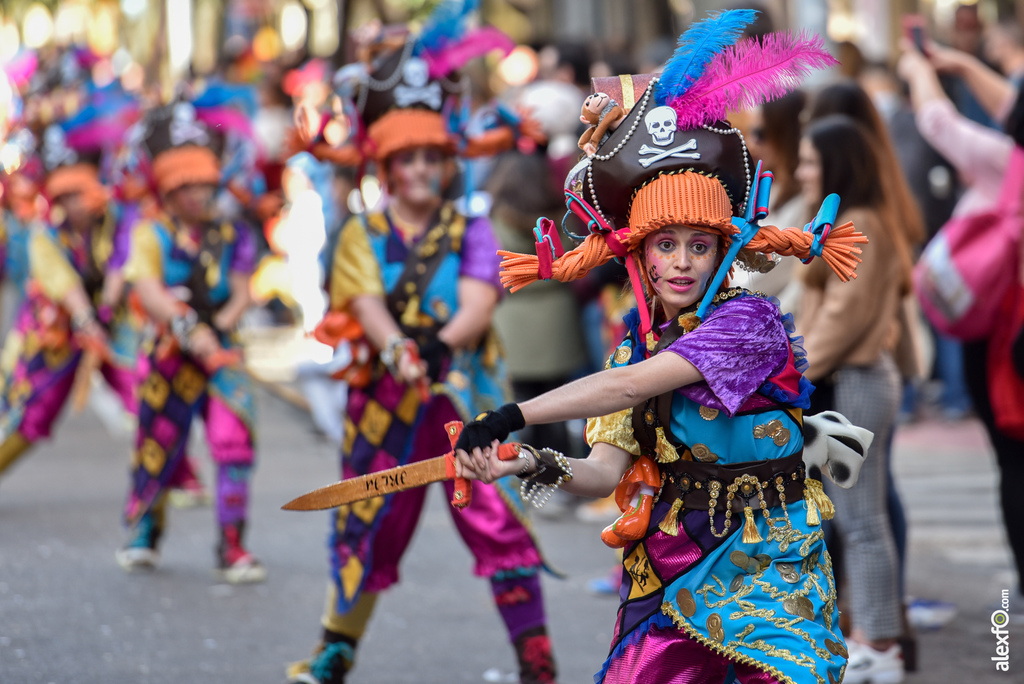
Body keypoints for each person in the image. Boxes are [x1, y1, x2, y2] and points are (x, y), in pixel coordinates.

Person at [455, 11, 868, 683]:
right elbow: (600, 470)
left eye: (698, 245)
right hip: (669, 572)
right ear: (639, 256)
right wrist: (525, 459)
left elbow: (627, 388)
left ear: (722, 250)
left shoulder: (750, 327)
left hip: (765, 578)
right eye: (664, 245)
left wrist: (513, 413)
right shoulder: (634, 346)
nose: (680, 263)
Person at [286, 8, 555, 684]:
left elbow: (479, 301)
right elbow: (366, 302)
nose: (420, 169)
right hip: (383, 401)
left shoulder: (473, 228)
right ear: (385, 161)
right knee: (365, 520)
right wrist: (399, 347)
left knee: (499, 519)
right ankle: (335, 649)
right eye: (407, 157)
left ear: (447, 159)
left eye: (432, 156)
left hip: (466, 398)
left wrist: (437, 344)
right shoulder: (360, 232)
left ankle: (536, 655)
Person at [899, 40, 1024, 625]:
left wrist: (925, 70)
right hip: (1005, 334)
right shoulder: (1007, 153)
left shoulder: (1005, 162)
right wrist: (969, 65)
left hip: (1003, 330)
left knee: (1014, 463)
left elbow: (936, 119)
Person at [116, 99, 265, 584]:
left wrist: (218, 326)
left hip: (222, 349)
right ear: (167, 187)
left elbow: (243, 291)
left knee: (233, 441)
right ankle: (144, 533)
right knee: (159, 444)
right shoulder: (148, 233)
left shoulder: (233, 232)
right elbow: (148, 291)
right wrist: (186, 327)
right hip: (168, 353)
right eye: (187, 184)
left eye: (204, 181)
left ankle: (233, 543)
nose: (199, 192)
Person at [793, 114, 914, 683]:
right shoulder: (854, 220)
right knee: (851, 519)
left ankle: (879, 643)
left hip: (854, 383)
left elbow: (840, 322)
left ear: (838, 166)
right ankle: (870, 638)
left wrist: (785, 381)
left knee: (860, 521)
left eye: (811, 161)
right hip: (848, 383)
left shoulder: (860, 224)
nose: (801, 171)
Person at [0, 112, 139, 486]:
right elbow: (63, 284)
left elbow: (120, 264)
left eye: (78, 194)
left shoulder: (119, 221)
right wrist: (86, 319)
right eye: (63, 196)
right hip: (56, 331)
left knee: (145, 393)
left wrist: (105, 316)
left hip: (111, 323)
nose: (72, 204)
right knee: (34, 412)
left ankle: (176, 477)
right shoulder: (45, 234)